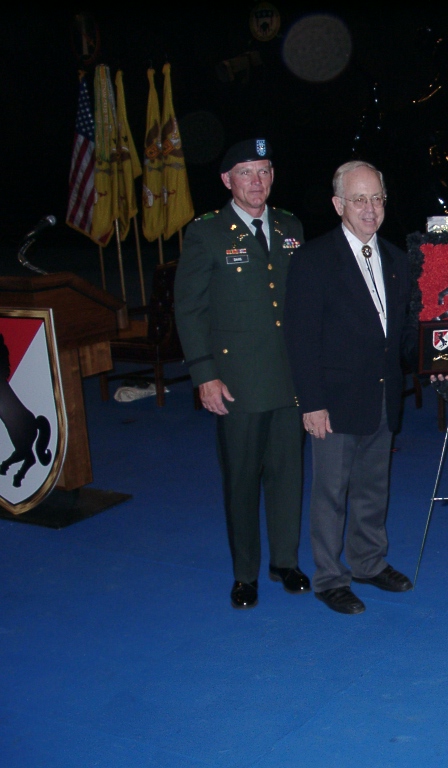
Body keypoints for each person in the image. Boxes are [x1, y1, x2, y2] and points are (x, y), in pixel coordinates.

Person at [175, 138, 310, 609]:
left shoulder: (291, 226)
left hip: (289, 377)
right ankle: (245, 574)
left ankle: (285, 561)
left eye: (264, 170)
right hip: (237, 382)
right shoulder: (207, 233)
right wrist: (204, 374)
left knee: (288, 474)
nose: (257, 181)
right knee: (241, 479)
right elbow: (189, 309)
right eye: (246, 172)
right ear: (226, 180)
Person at [283, 160, 418, 616]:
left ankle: (368, 563)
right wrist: (311, 403)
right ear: (338, 204)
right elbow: (300, 339)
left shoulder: (396, 259)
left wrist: (436, 358)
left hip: (382, 395)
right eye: (359, 199)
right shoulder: (313, 259)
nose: (370, 208)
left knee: (372, 488)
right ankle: (329, 578)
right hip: (333, 401)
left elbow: (402, 334)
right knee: (331, 494)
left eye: (377, 198)